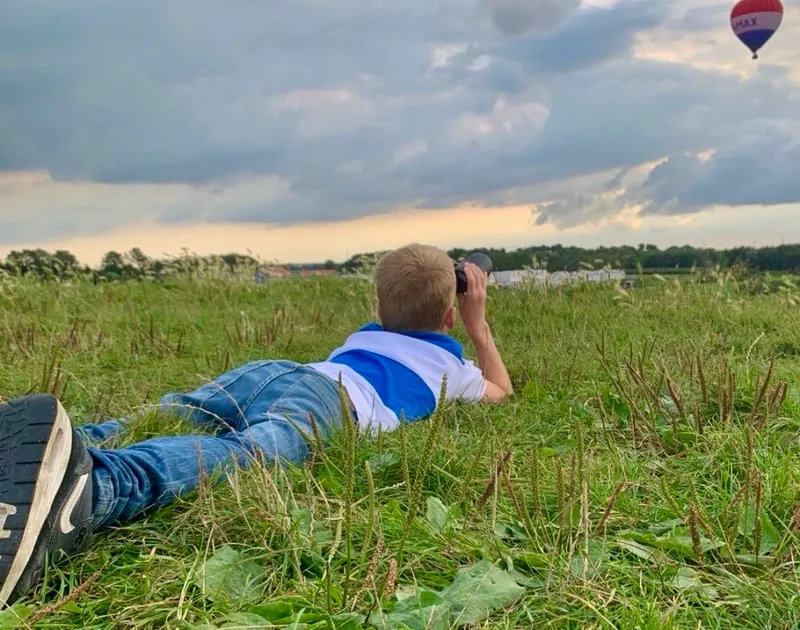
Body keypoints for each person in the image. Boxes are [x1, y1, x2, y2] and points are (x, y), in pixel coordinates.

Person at [0, 243, 512, 605]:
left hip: (276, 371)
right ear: (449, 319)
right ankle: (101, 485)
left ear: (378, 307)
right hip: (330, 402)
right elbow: (501, 391)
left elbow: (405, 316)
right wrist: (478, 323)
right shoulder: (451, 368)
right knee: (250, 453)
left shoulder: (369, 334)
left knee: (178, 408)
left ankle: (69, 440)